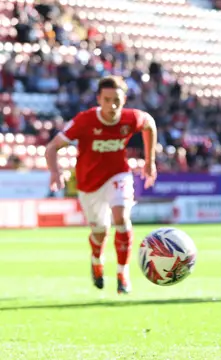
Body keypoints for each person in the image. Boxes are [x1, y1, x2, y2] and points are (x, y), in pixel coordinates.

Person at [45, 75, 158, 295]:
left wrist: (150, 161)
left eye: (116, 99)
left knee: (121, 219)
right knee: (100, 231)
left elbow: (150, 124)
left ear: (124, 99)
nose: (112, 105)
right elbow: (52, 147)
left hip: (118, 175)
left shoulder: (130, 118)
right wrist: (55, 172)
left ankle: (122, 274)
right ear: (99, 99)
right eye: (107, 99)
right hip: (89, 184)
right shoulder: (84, 121)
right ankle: (97, 260)